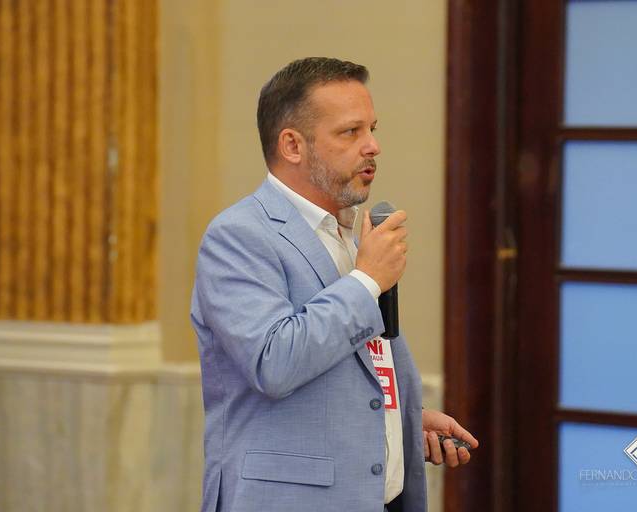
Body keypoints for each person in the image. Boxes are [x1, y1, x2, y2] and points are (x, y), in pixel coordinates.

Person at [191, 57, 478, 512]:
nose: (373, 146)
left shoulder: (349, 233)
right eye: (350, 132)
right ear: (292, 145)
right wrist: (367, 281)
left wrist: (396, 422)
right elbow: (274, 362)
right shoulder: (239, 236)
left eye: (372, 129)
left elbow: (350, 365)